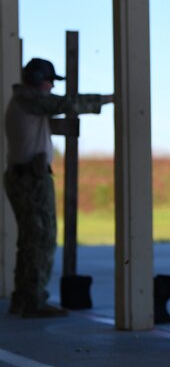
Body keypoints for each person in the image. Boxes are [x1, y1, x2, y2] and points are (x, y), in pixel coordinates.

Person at [4, 58, 114, 318]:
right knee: (40, 240)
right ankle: (33, 301)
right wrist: (107, 99)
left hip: (25, 177)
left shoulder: (26, 101)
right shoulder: (30, 100)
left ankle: (24, 298)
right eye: (49, 81)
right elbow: (66, 104)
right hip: (31, 179)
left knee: (31, 240)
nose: (52, 86)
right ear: (37, 80)